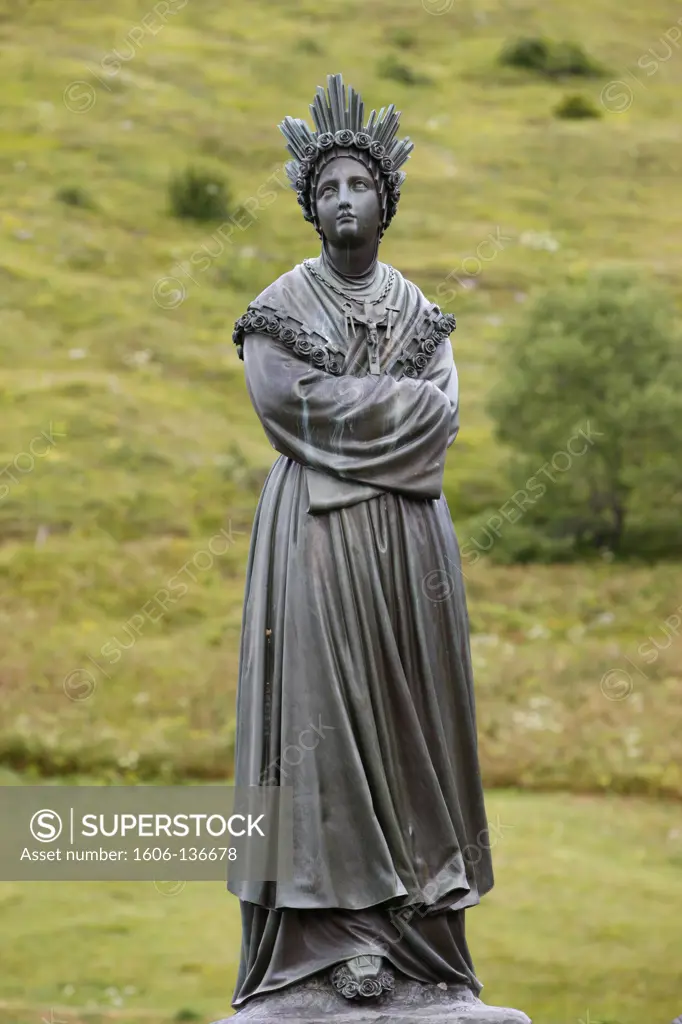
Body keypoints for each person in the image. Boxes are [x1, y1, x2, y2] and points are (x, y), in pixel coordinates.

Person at [229, 73, 494, 1012]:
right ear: (311, 206)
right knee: (322, 729)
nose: (345, 199)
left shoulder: (422, 310)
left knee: (406, 722)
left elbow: (444, 417)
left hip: (411, 553)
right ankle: (332, 938)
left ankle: (418, 931)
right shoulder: (280, 307)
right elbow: (286, 404)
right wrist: (391, 418)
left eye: (359, 185)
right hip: (312, 547)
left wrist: (361, 427)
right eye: (328, 187)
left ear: (386, 199)